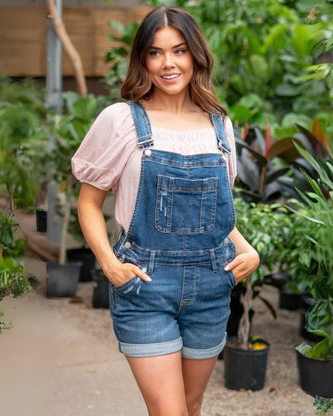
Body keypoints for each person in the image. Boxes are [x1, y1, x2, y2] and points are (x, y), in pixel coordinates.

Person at [71, 6, 259, 416]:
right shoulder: (120, 120)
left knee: (191, 407)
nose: (168, 63)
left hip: (211, 287)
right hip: (145, 286)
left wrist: (249, 250)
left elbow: (216, 214)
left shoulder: (219, 125)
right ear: (143, 59)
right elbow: (88, 202)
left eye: (179, 51)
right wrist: (109, 264)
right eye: (155, 53)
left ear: (195, 56)